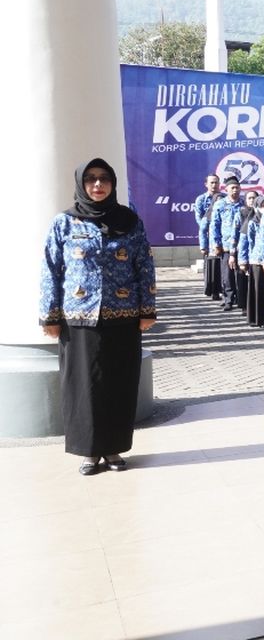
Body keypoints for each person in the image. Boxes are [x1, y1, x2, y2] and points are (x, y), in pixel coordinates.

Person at [39, 158, 156, 475]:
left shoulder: (129, 221)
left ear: (113, 183)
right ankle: (89, 451)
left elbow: (144, 265)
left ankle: (114, 448)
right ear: (81, 184)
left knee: (119, 383)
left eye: (104, 178)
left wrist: (147, 309)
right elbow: (51, 270)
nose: (97, 184)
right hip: (79, 319)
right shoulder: (64, 223)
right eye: (90, 179)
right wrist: (49, 316)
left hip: (124, 315)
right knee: (85, 386)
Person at [209, 176, 243, 311]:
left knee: (240, 274)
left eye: (237, 188)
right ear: (227, 189)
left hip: (241, 245)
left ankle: (240, 299)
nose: (235, 190)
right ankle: (228, 299)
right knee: (227, 275)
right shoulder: (220, 205)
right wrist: (216, 244)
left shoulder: (243, 204)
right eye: (232, 188)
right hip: (226, 245)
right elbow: (214, 226)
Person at [241, 194, 264, 328]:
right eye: (262, 206)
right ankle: (258, 319)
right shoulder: (252, 222)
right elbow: (248, 242)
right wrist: (245, 260)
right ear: (256, 207)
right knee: (258, 290)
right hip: (257, 260)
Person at [195, 174, 222, 300]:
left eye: (216, 182)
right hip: (208, 235)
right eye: (211, 182)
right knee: (210, 264)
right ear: (206, 184)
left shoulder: (224, 198)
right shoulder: (201, 199)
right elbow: (199, 218)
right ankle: (211, 289)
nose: (214, 185)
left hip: (222, 236)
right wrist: (208, 229)